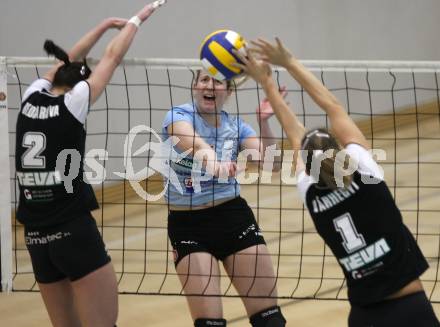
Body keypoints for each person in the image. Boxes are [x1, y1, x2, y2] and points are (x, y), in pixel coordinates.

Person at [234, 38, 440, 326]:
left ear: (304, 165)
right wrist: (289, 62)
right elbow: (333, 107)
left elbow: (294, 131)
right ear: (339, 150)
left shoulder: (309, 192)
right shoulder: (364, 171)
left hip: (363, 316)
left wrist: (266, 83)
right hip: (409, 309)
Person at [15, 2, 163, 326]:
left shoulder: (30, 98)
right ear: (82, 82)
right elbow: (112, 56)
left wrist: (102, 25)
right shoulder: (74, 103)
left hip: (36, 239)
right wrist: (137, 19)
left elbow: (62, 62)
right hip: (72, 232)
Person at [161, 70, 287, 326]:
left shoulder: (237, 127)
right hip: (189, 226)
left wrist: (264, 122)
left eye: (217, 81)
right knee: (209, 323)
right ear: (195, 86)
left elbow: (272, 164)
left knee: (270, 320)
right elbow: (195, 146)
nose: (209, 85)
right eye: (203, 80)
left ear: (228, 91)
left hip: (233, 218)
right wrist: (216, 165)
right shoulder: (178, 117)